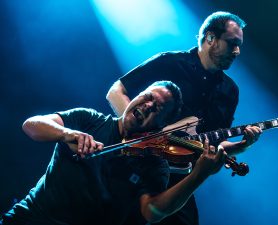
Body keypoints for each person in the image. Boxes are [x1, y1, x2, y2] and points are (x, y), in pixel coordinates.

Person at [106, 11, 262, 225]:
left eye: (239, 45)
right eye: (232, 43)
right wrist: (139, 133)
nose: (237, 51)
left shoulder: (229, 91)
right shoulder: (169, 62)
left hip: (178, 175)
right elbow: (116, 91)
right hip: (137, 162)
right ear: (210, 39)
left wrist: (242, 145)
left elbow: (213, 142)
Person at [1, 81, 229, 225]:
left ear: (162, 123)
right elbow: (32, 124)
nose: (148, 106)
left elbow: (151, 212)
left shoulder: (153, 162)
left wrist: (199, 175)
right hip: (30, 217)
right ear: (137, 95)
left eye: (158, 108)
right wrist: (66, 133)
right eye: (148, 97)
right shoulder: (88, 120)